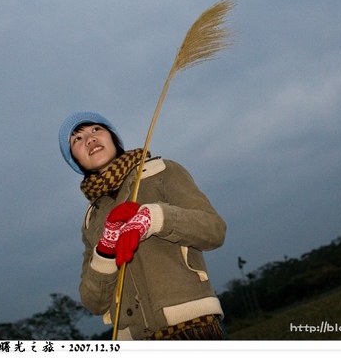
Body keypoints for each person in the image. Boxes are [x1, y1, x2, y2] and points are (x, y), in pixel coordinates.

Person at [58, 111, 228, 340]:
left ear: (113, 138)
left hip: (191, 327)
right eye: (76, 139)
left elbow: (214, 230)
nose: (89, 139)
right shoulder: (92, 218)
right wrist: (106, 251)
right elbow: (94, 303)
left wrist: (153, 218)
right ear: (74, 159)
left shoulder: (162, 171)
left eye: (96, 129)